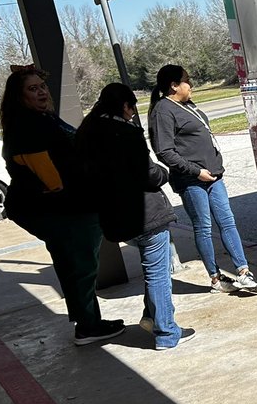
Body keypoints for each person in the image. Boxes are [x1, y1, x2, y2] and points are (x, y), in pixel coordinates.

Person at [0, 67, 124, 345]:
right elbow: (51, 178)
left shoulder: (41, 119)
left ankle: (88, 321)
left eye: (42, 86)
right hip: (63, 208)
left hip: (65, 206)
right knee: (80, 266)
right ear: (18, 97)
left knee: (76, 264)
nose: (42, 91)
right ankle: (88, 326)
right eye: (33, 89)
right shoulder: (28, 125)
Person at [76, 83, 194, 350]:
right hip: (145, 214)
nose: (132, 115)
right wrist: (165, 174)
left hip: (114, 218)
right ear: (125, 106)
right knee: (158, 273)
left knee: (156, 268)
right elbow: (149, 174)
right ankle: (166, 332)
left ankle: (151, 316)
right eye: (132, 109)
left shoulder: (85, 134)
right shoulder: (125, 133)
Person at [147, 64, 257, 295]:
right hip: (192, 180)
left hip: (214, 176)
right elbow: (165, 151)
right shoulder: (163, 110)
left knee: (227, 221)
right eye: (187, 80)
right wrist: (196, 171)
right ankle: (216, 279)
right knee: (204, 227)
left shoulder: (187, 105)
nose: (191, 85)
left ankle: (243, 272)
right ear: (174, 85)